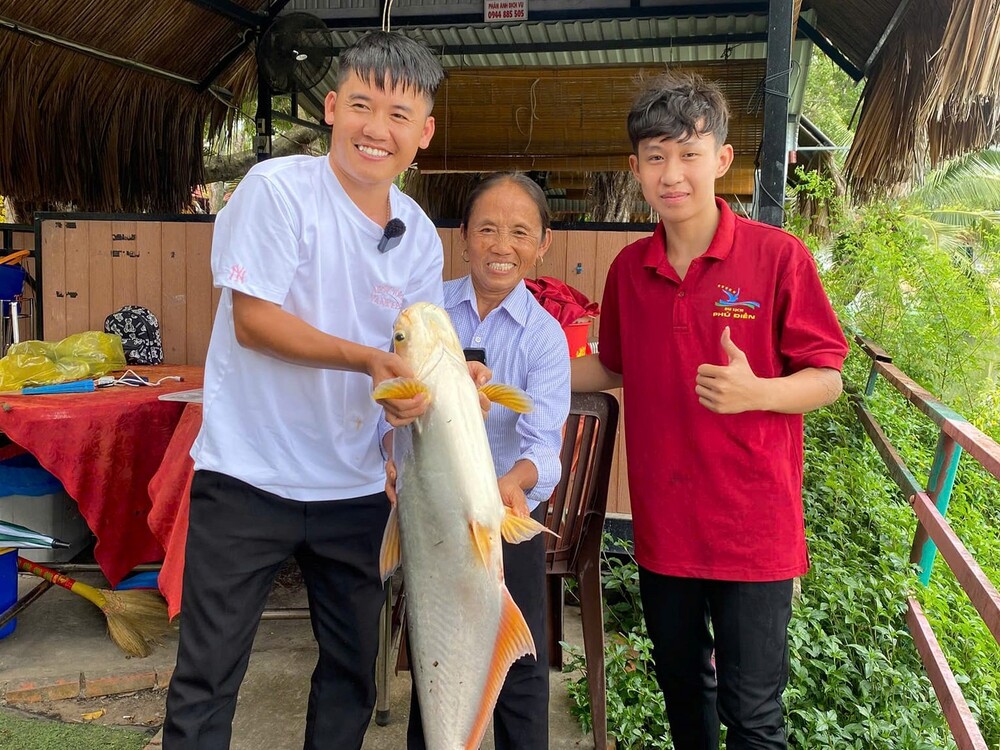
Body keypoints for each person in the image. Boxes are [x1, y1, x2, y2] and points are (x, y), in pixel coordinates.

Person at [163, 31, 452, 750]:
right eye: (361, 105)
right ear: (330, 107)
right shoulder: (276, 190)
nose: (376, 128)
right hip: (247, 475)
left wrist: (430, 390)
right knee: (208, 676)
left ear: (424, 132)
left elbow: (407, 356)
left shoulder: (419, 236)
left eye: (398, 114)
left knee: (353, 676)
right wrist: (367, 361)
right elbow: (254, 322)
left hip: (354, 489)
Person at [571, 72, 849, 749]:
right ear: (635, 168)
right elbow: (614, 365)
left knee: (753, 714)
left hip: (753, 529)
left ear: (721, 159)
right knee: (682, 694)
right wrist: (505, 377)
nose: (673, 174)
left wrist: (761, 393)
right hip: (665, 527)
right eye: (656, 157)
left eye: (689, 154)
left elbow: (827, 378)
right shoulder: (629, 270)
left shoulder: (777, 257)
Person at [384, 173, 571, 750]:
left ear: (542, 244)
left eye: (520, 232)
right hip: (429, 518)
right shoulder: (425, 315)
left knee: (522, 673)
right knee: (436, 660)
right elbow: (383, 409)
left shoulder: (545, 337)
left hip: (504, 521)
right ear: (463, 236)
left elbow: (543, 445)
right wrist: (388, 457)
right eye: (487, 229)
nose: (501, 245)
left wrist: (511, 483)